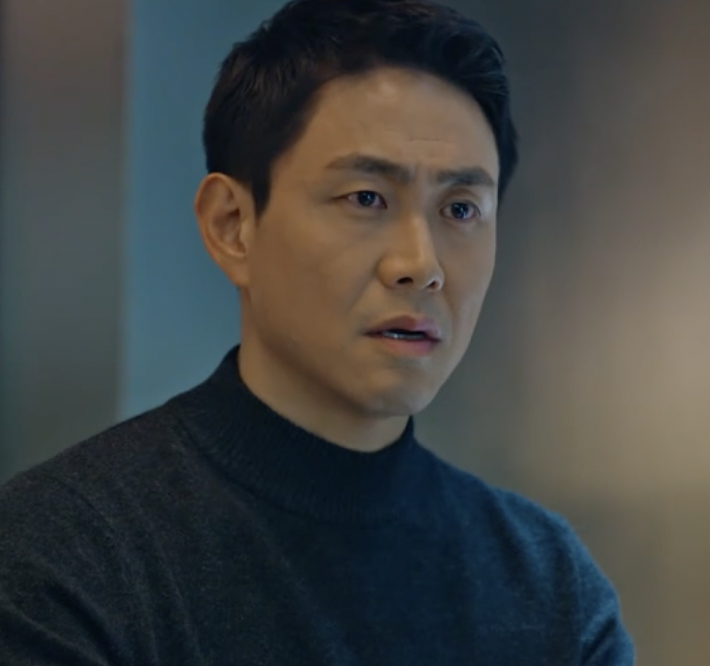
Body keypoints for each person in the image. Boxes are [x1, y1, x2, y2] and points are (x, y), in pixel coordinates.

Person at [0, 0, 635, 664]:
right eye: (366, 198)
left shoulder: (549, 588)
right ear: (231, 226)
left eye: (460, 209)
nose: (420, 265)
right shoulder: (64, 556)